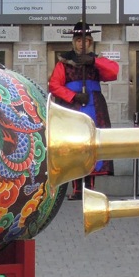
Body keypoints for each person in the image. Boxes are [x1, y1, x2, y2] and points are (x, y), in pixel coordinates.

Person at [48, 22, 119, 200]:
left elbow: (113, 73)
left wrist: (94, 62)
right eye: (79, 40)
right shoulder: (64, 63)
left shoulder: (97, 61)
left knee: (93, 145)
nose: (82, 44)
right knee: (75, 147)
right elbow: (54, 85)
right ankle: (77, 189)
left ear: (90, 42)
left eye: (86, 41)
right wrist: (73, 96)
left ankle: (90, 187)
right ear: (74, 42)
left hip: (95, 108)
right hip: (74, 108)